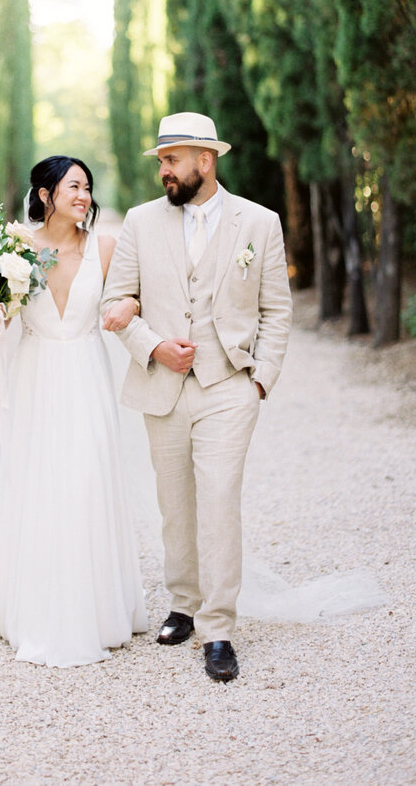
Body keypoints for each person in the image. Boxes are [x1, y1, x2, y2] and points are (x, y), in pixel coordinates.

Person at [101, 111, 293, 683]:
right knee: (174, 504)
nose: (163, 170)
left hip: (230, 388)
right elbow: (116, 300)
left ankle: (218, 628)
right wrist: (154, 346)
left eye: (171, 160)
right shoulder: (139, 222)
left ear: (205, 162)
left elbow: (277, 311)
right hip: (163, 387)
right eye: (161, 161)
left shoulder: (259, 224)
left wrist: (261, 381)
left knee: (217, 501)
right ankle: (182, 602)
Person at [0, 155, 147, 667]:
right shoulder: (15, 246)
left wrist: (131, 306)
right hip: (38, 375)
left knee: (88, 478)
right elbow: (3, 313)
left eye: (87, 187)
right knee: (42, 481)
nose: (83, 195)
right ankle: (38, 605)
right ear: (45, 195)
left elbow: (132, 298)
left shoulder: (107, 248)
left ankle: (98, 608)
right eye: (73, 186)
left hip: (87, 375)